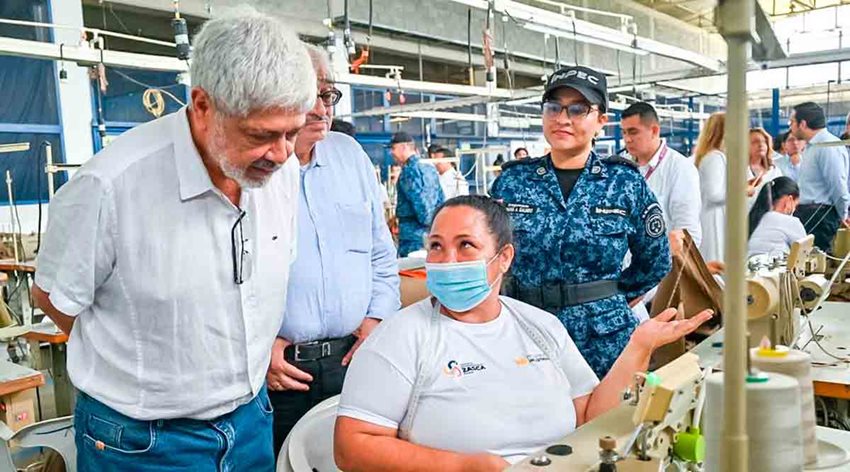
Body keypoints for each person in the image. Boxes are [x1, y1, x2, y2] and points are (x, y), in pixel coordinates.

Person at [32, 11, 314, 471]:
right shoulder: (110, 187)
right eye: (261, 135)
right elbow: (52, 294)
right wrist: (144, 370)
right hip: (141, 442)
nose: (282, 153)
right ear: (202, 105)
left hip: (250, 423)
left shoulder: (281, 175)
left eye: (292, 132)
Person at [333, 195, 712, 470]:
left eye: (466, 246)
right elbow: (351, 447)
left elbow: (589, 416)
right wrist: (462, 467)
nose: (448, 261)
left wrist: (639, 346)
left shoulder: (539, 326)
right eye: (436, 246)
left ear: (504, 258)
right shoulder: (402, 337)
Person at [490, 66, 671, 378]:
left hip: (602, 339)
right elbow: (491, 253)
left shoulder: (624, 183)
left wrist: (608, 297)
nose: (562, 118)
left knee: (607, 410)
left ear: (601, 120)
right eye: (553, 107)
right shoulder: (512, 182)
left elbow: (656, 260)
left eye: (578, 109)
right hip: (525, 330)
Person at [266, 45, 400, 456]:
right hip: (282, 371)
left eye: (328, 95)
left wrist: (376, 319)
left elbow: (381, 252)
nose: (322, 108)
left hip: (353, 359)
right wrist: (258, 345)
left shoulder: (350, 156)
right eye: (310, 94)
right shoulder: (256, 168)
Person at [620, 101, 702, 254]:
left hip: (659, 265)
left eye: (633, 132)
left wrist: (662, 262)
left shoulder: (680, 169)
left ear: (654, 131)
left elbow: (688, 234)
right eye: (624, 132)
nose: (627, 139)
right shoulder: (620, 166)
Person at [790, 101, 850, 252]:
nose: (790, 126)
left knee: (817, 260)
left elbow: (837, 185)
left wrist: (843, 215)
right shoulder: (812, 146)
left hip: (820, 215)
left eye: (792, 122)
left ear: (803, 124)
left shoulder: (828, 146)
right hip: (808, 212)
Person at [390, 131, 444, 256]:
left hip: (413, 238)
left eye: (393, 148)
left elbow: (423, 209)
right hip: (432, 233)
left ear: (404, 147)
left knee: (413, 267)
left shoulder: (410, 172)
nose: (391, 153)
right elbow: (441, 199)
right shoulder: (430, 169)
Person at [695, 112, 727, 263]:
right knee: (716, 265)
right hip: (713, 220)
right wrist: (741, 191)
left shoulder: (711, 156)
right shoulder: (714, 158)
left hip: (712, 218)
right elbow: (714, 195)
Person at [748, 177, 807, 257]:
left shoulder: (753, 217)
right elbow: (805, 253)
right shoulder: (790, 222)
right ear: (789, 199)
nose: (795, 209)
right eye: (795, 205)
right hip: (774, 263)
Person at [747, 128, 783, 207]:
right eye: (755, 142)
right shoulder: (737, 170)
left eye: (764, 142)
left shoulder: (774, 171)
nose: (761, 145)